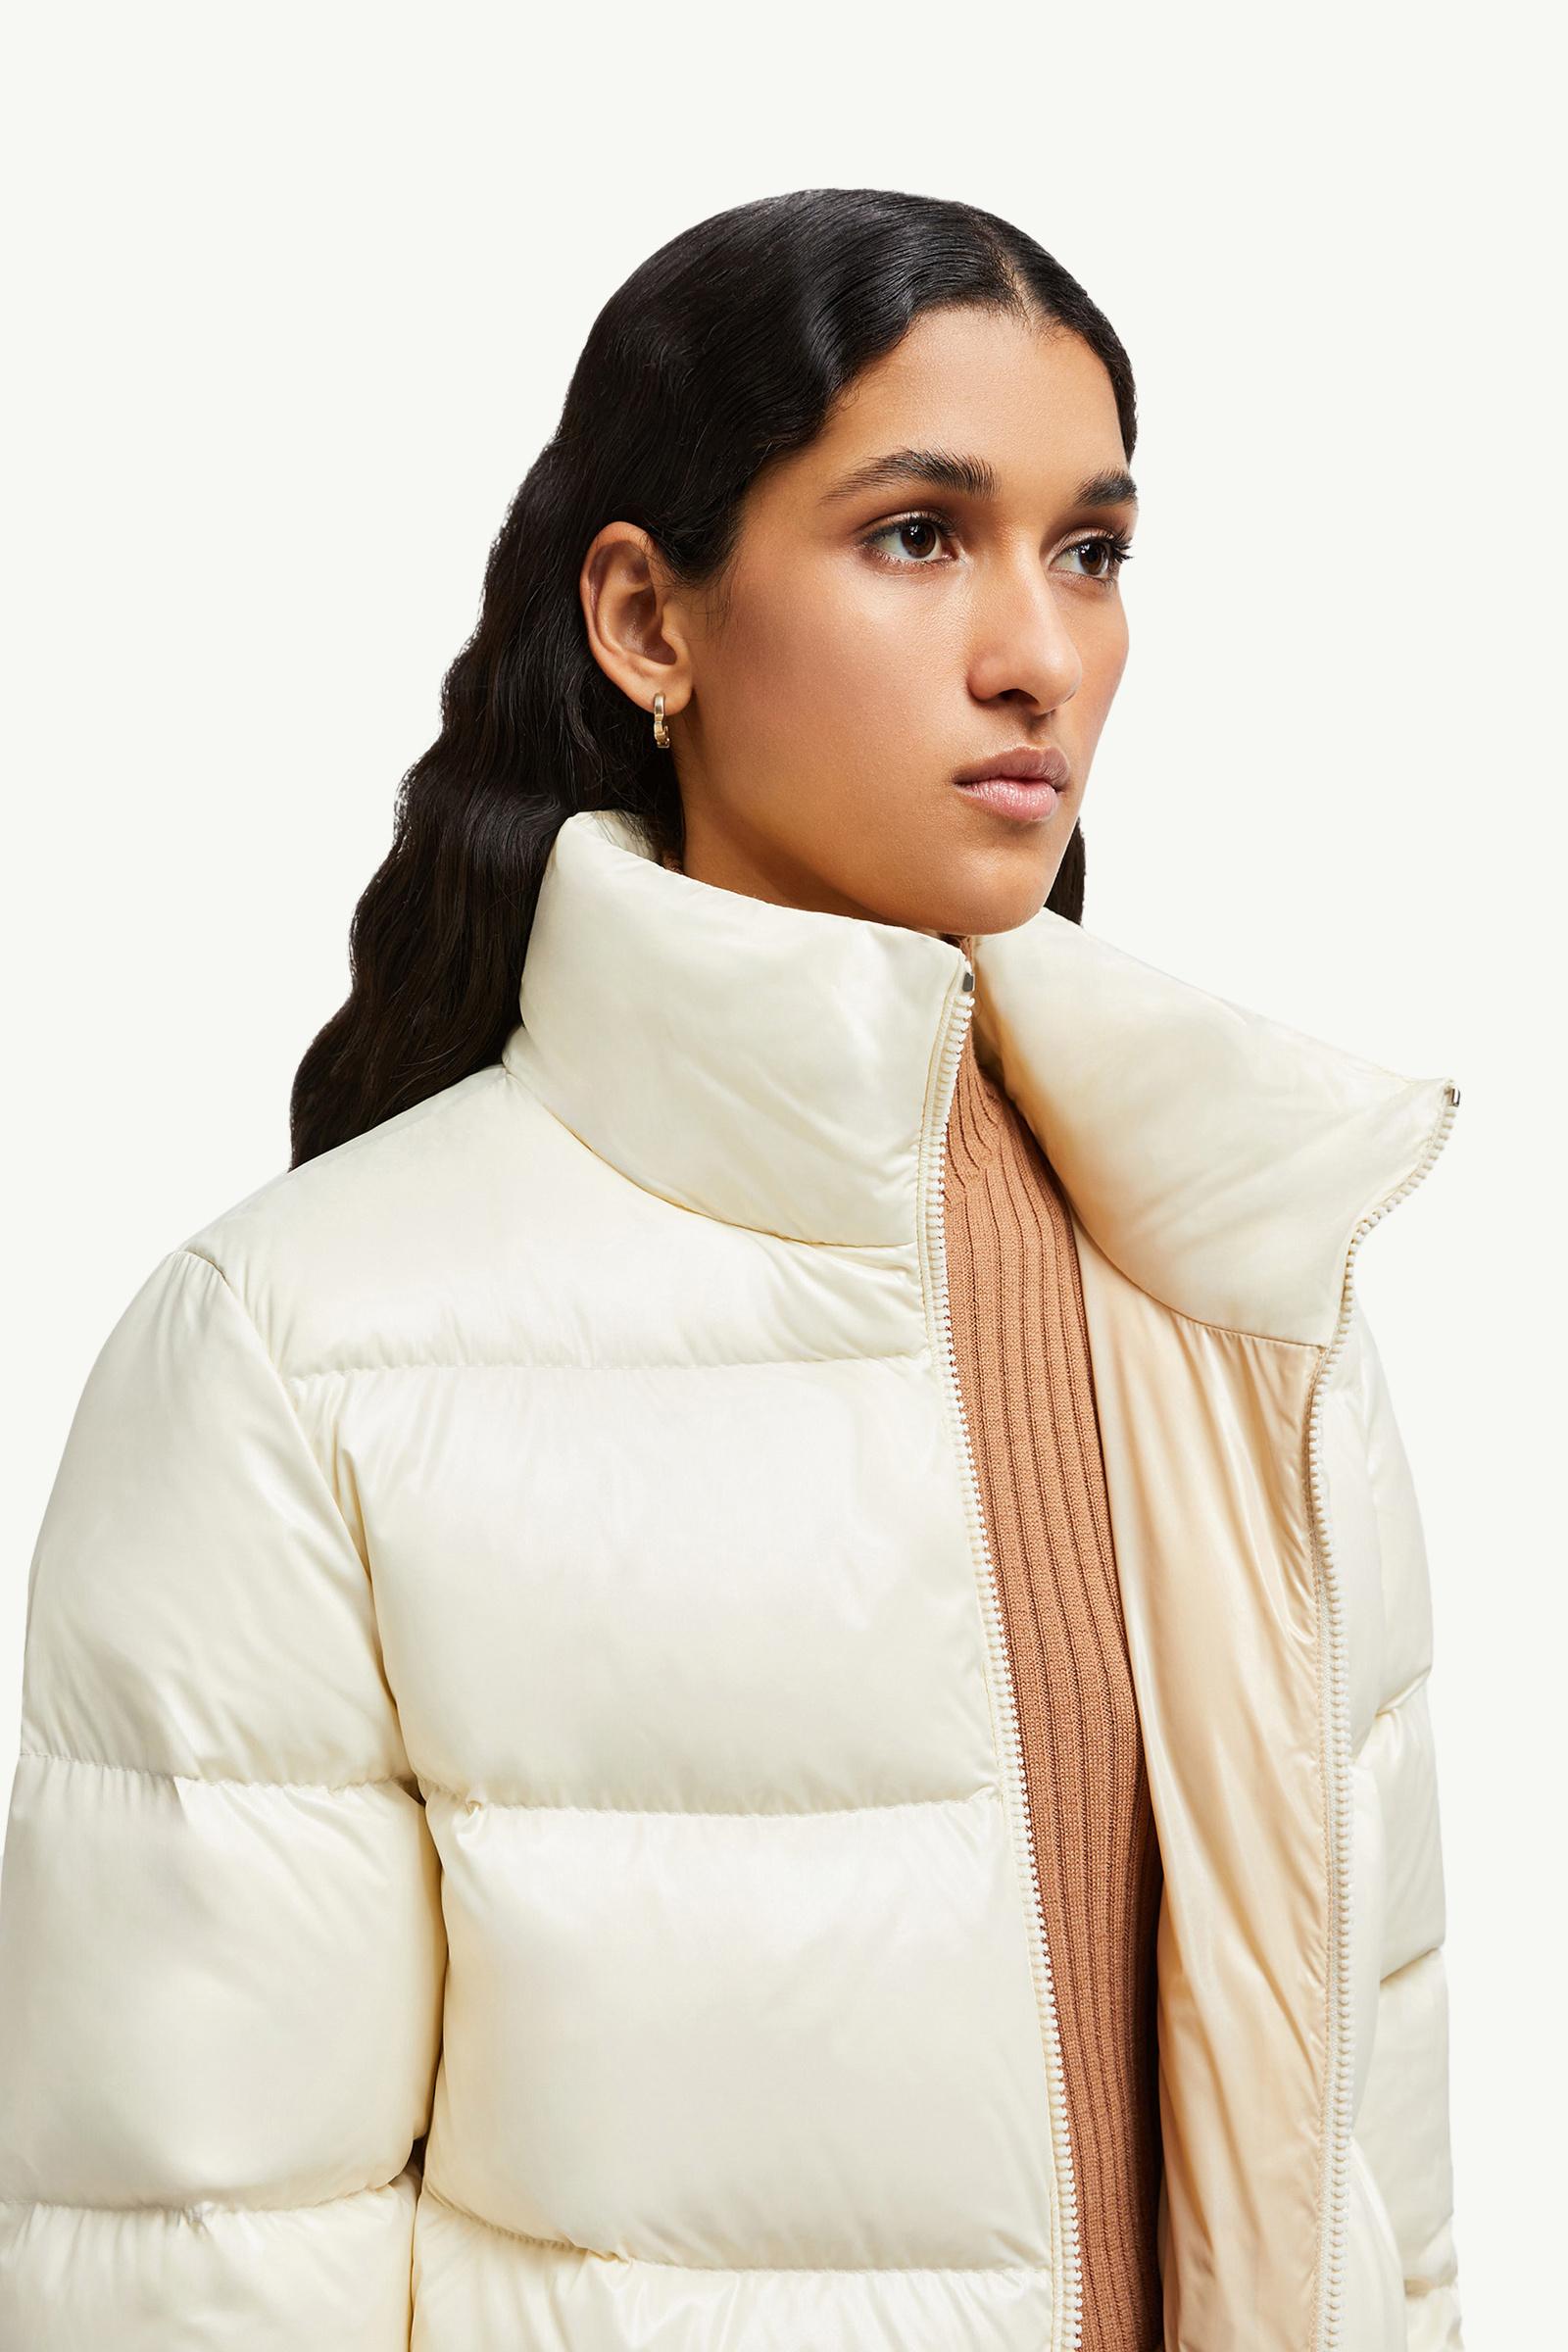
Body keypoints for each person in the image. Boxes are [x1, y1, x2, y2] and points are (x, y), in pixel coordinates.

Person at [0, 188, 1463, 2352]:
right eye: (916, 535)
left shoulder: (1252, 1288)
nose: (1038, 654)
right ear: (643, 620)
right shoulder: (303, 1356)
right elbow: (193, 2271)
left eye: (1089, 552)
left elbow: (1381, 2212)